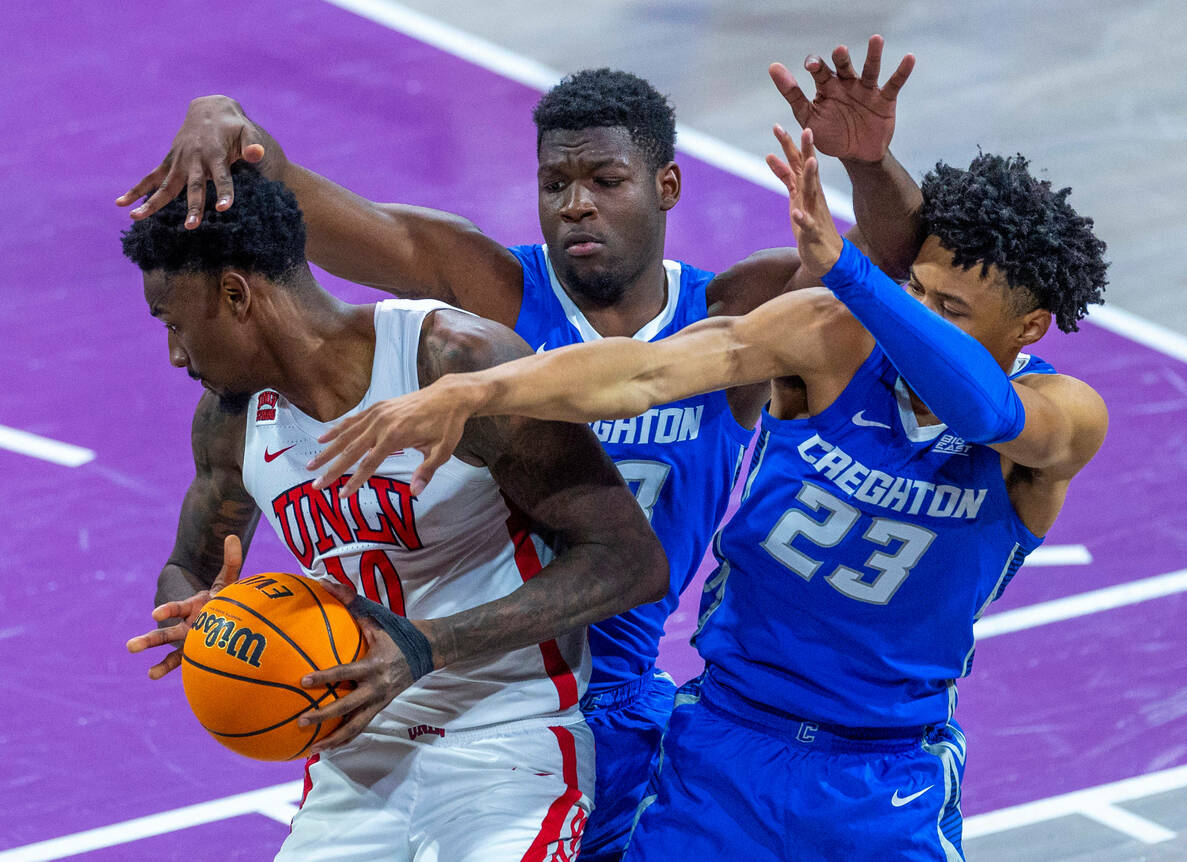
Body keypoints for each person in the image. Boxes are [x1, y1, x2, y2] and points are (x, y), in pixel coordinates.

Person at [117, 39, 919, 861]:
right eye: (554, 184)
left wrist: (872, 164)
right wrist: (218, 117)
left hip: (600, 696)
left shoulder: (729, 322)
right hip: (420, 687)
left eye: (604, 182)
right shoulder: (488, 294)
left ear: (665, 185)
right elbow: (298, 208)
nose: (576, 205)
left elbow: (887, 278)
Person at [305, 121, 1110, 860]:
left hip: (883, 778)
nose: (918, 318)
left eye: (952, 310)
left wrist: (860, 278)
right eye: (917, 292)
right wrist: (482, 391)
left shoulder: (1062, 418)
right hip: (724, 745)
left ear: (1030, 329)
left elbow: (983, 408)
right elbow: (644, 368)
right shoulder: (834, 343)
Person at [122, 164, 669, 862]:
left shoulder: (452, 363)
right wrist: (200, 615)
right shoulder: (231, 422)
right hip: (355, 756)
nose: (173, 355)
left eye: (174, 323)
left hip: (506, 745)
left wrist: (423, 647)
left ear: (235, 295)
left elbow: (630, 561)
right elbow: (185, 566)